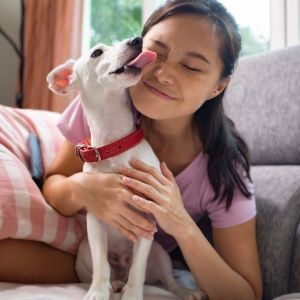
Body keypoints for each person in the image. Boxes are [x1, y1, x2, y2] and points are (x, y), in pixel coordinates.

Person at [0, 0, 263, 299]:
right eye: (156, 53)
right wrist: (84, 189)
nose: (163, 73)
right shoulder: (103, 103)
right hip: (87, 248)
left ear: (218, 86)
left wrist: (180, 224)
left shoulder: (223, 169)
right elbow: (53, 187)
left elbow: (247, 294)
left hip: (146, 259)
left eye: (190, 66)